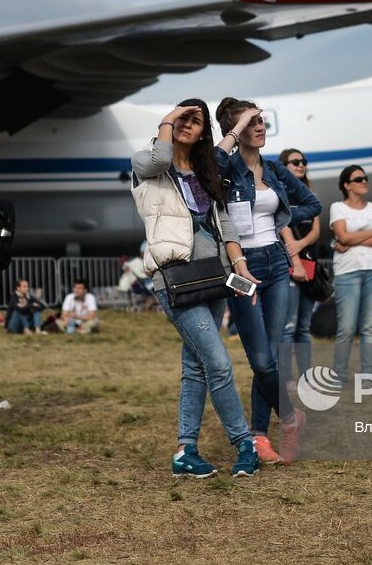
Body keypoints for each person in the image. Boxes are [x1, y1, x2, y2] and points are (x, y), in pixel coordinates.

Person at [132, 98, 262, 478]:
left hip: (216, 274)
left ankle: (185, 451)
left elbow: (225, 224)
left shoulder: (207, 173)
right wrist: (170, 119)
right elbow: (158, 158)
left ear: (205, 131)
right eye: (182, 117)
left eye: (196, 120)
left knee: (195, 366)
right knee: (218, 363)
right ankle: (244, 443)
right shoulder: (148, 166)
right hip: (175, 277)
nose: (188, 123)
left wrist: (239, 265)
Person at [214, 99, 317, 464]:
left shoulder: (274, 169)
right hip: (240, 268)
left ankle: (259, 435)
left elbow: (312, 204)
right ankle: (289, 418)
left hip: (274, 262)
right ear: (236, 129)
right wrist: (234, 128)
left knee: (272, 356)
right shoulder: (225, 171)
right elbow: (211, 164)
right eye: (251, 122)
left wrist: (282, 218)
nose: (260, 126)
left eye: (261, 121)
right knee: (260, 360)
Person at [330, 164, 372, 386]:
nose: (364, 181)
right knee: (346, 328)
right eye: (358, 179)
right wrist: (371, 230)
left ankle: (367, 376)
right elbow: (342, 237)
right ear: (347, 185)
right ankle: (341, 375)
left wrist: (353, 238)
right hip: (348, 272)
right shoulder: (338, 207)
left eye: (365, 178)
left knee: (369, 328)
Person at [277, 148, 324, 386]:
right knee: (289, 326)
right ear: (283, 166)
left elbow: (316, 230)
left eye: (303, 161)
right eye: (295, 162)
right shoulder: (279, 193)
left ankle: (307, 376)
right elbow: (281, 224)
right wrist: (293, 252)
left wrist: (300, 244)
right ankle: (286, 378)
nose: (301, 165)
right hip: (288, 268)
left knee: (304, 328)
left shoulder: (309, 194)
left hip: (310, 265)